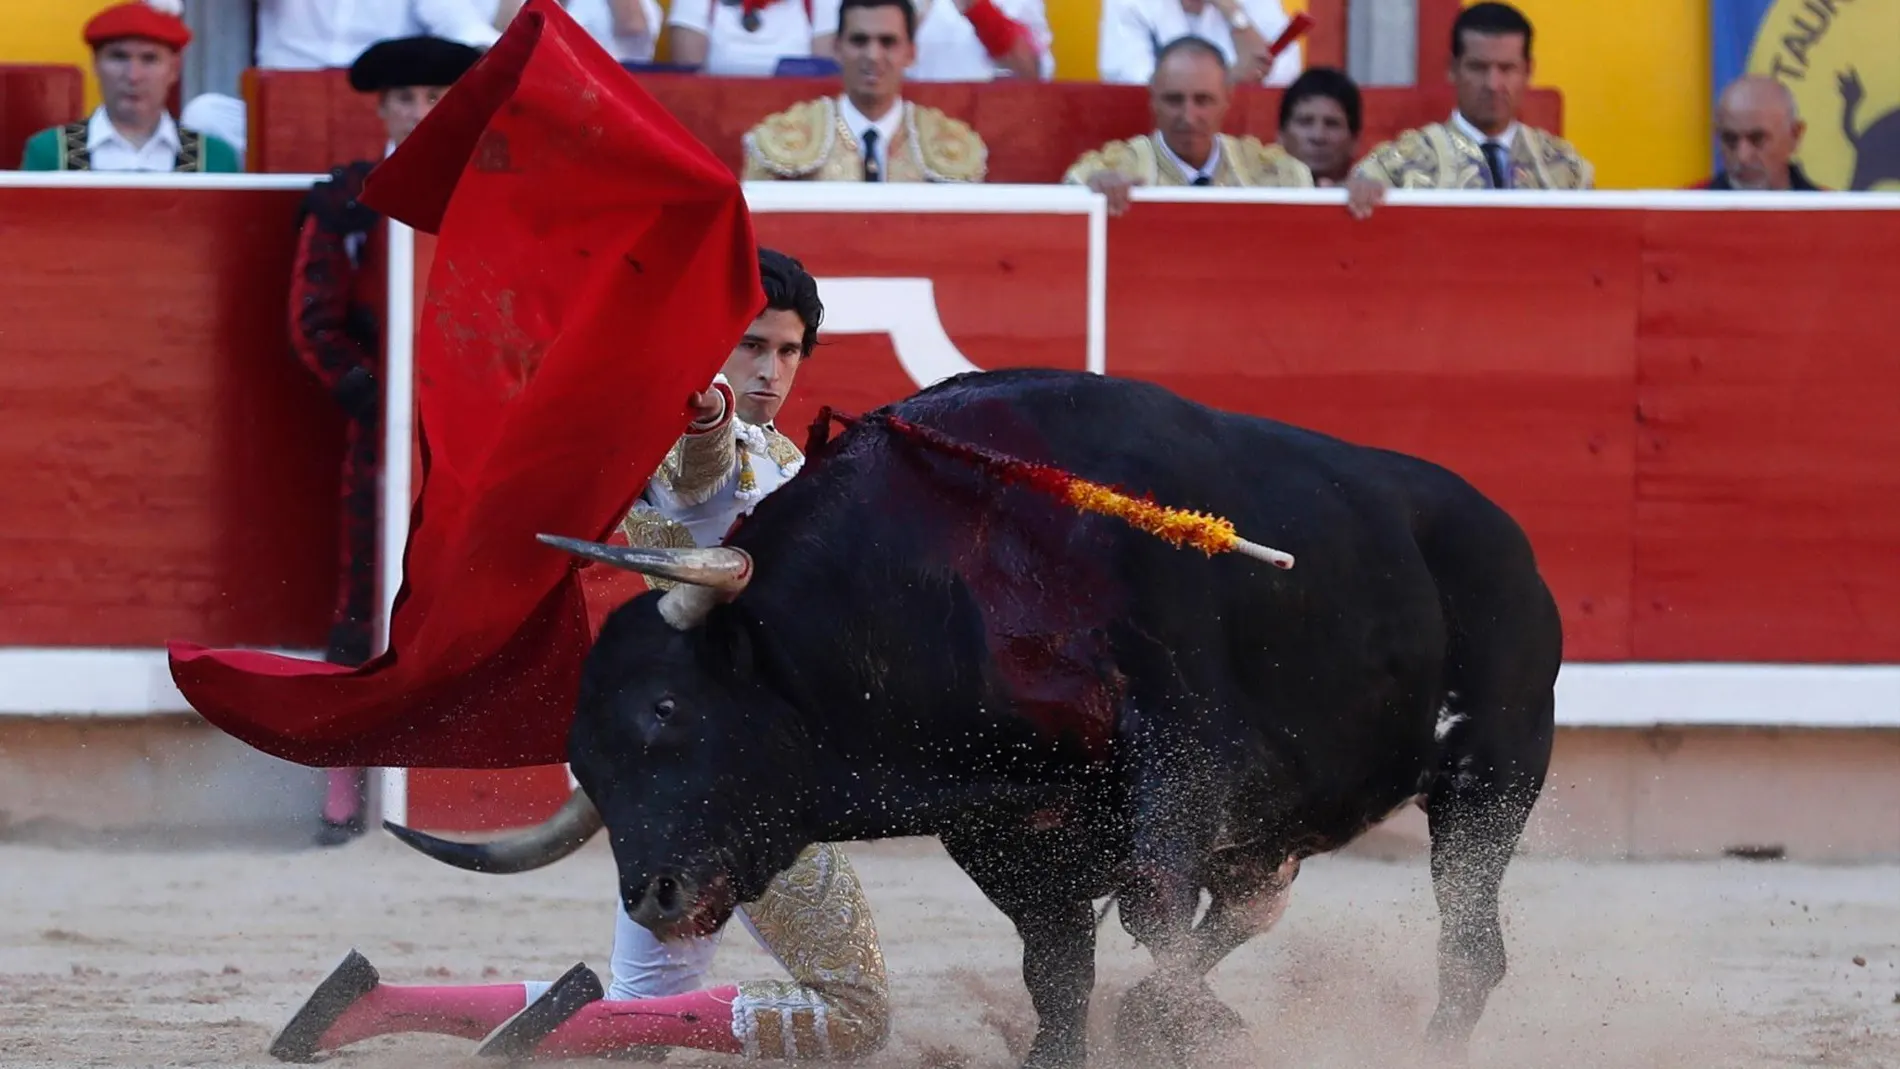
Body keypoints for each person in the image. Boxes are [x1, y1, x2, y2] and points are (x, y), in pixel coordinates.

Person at [267, 250, 893, 1065]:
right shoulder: (685, 431)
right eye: (750, 345)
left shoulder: (781, 454)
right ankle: (557, 1032)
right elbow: (697, 471)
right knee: (852, 1013)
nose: (770, 370)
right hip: (743, 773)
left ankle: (377, 1006)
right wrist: (707, 411)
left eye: (788, 349)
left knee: (639, 1017)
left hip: (676, 761)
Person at [289, 35, 483, 847]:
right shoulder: (346, 197)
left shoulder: (492, 193)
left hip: (480, 424)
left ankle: (465, 773)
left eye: (436, 97)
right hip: (383, 432)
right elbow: (313, 321)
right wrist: (378, 398)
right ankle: (345, 780)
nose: (420, 111)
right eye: (406, 98)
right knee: (367, 590)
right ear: (382, 108)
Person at [1344, 1, 1592, 219]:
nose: (1493, 84)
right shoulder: (1396, 164)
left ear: (1528, 71)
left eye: (1506, 69)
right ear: (1452, 69)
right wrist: (1355, 189)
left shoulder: (1567, 169)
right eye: (1477, 67)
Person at [740, 0, 988, 183]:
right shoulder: (781, 138)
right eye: (859, 41)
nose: (872, 55)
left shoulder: (952, 145)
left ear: (911, 53)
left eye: (888, 42)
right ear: (837, 48)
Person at [1063, 35, 1311, 215]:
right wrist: (1095, 187)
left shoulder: (1266, 169)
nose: (1189, 116)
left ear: (1227, 99)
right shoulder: (1122, 165)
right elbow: (1074, 185)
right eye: (1174, 100)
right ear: (1153, 100)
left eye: (1203, 100)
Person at [19, 1, 241, 173]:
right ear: (96, 64)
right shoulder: (49, 152)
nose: (133, 76)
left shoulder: (215, 157)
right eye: (119, 57)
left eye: (149, 59)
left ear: (174, 69)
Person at [1694, 74, 1824, 191]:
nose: (1742, 156)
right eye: (1730, 140)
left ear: (1795, 136)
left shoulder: (1829, 208)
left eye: (1757, 139)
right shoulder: (1689, 206)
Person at [1275, 66, 1360, 186]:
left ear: (1354, 140)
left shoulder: (1382, 192)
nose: (1318, 136)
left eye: (1332, 124)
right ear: (1281, 135)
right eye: (1305, 122)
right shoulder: (1252, 189)